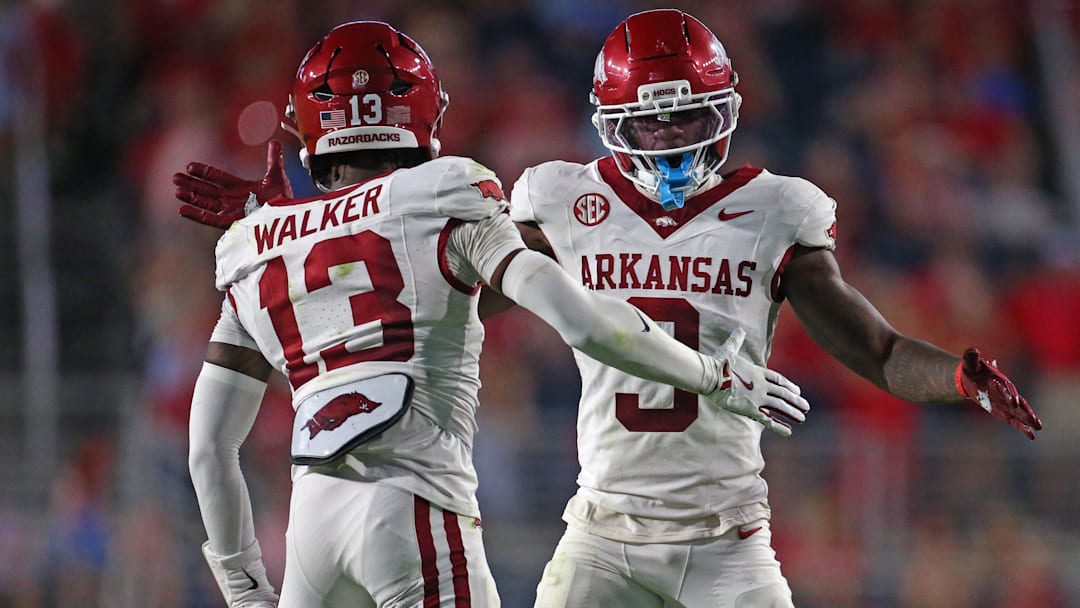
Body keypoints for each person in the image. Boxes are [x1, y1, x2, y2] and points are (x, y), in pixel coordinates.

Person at [177, 11, 1042, 608]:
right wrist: (303, 226)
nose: (667, 143)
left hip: (730, 535)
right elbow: (435, 279)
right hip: (600, 532)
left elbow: (877, 350)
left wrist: (957, 377)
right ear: (609, 122)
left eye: (687, 120)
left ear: (724, 112)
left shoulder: (775, 210)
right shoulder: (559, 199)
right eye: (647, 125)